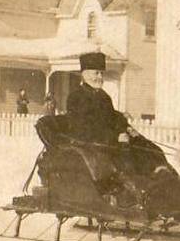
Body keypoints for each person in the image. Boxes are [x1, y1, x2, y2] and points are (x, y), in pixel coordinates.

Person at [64, 52, 168, 208]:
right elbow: (83, 128)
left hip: (110, 141)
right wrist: (114, 137)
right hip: (91, 144)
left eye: (101, 73)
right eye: (95, 73)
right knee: (127, 158)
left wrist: (127, 128)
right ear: (84, 74)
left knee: (150, 148)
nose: (99, 77)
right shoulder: (76, 97)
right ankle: (137, 196)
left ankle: (163, 186)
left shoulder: (103, 96)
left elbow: (112, 116)